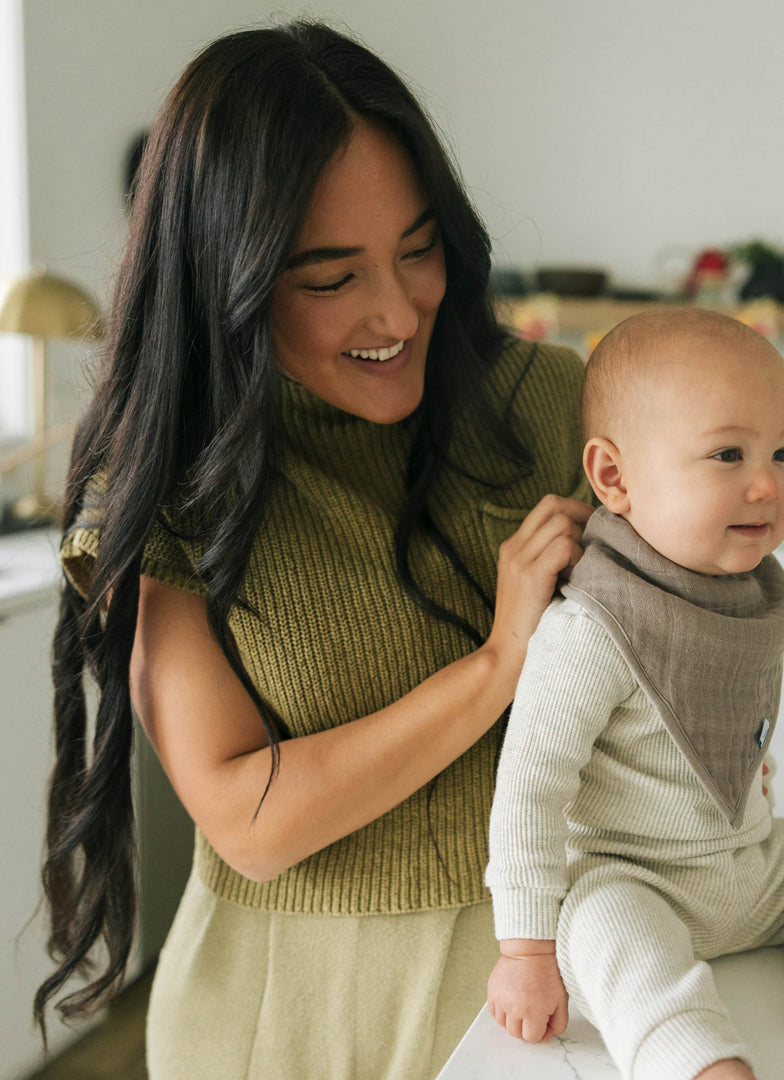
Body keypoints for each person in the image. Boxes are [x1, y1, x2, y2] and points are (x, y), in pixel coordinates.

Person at [34, 20, 593, 1080]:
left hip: (545, 1000)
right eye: (330, 278)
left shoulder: (552, 406)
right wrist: (498, 666)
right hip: (279, 1017)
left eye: (418, 248)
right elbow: (249, 821)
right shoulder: (168, 493)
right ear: (224, 284)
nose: (397, 310)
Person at [485, 308, 784, 1079]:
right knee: (613, 937)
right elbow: (529, 789)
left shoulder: (747, 594)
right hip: (635, 880)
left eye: (783, 451)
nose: (767, 482)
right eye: (728, 454)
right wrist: (527, 950)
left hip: (745, 866)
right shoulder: (592, 629)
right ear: (614, 477)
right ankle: (697, 1060)